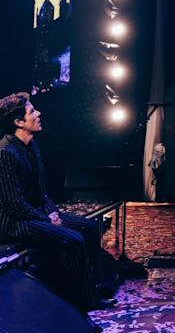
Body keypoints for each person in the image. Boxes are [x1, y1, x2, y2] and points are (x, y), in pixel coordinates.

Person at [0, 93, 114, 330]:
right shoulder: (5, 152)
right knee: (73, 239)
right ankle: (79, 300)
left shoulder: (32, 146)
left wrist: (53, 213)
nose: (38, 114)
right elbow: (14, 204)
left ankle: (91, 290)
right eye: (32, 112)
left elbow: (42, 192)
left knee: (90, 227)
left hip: (36, 213)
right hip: (15, 221)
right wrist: (47, 219)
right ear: (18, 122)